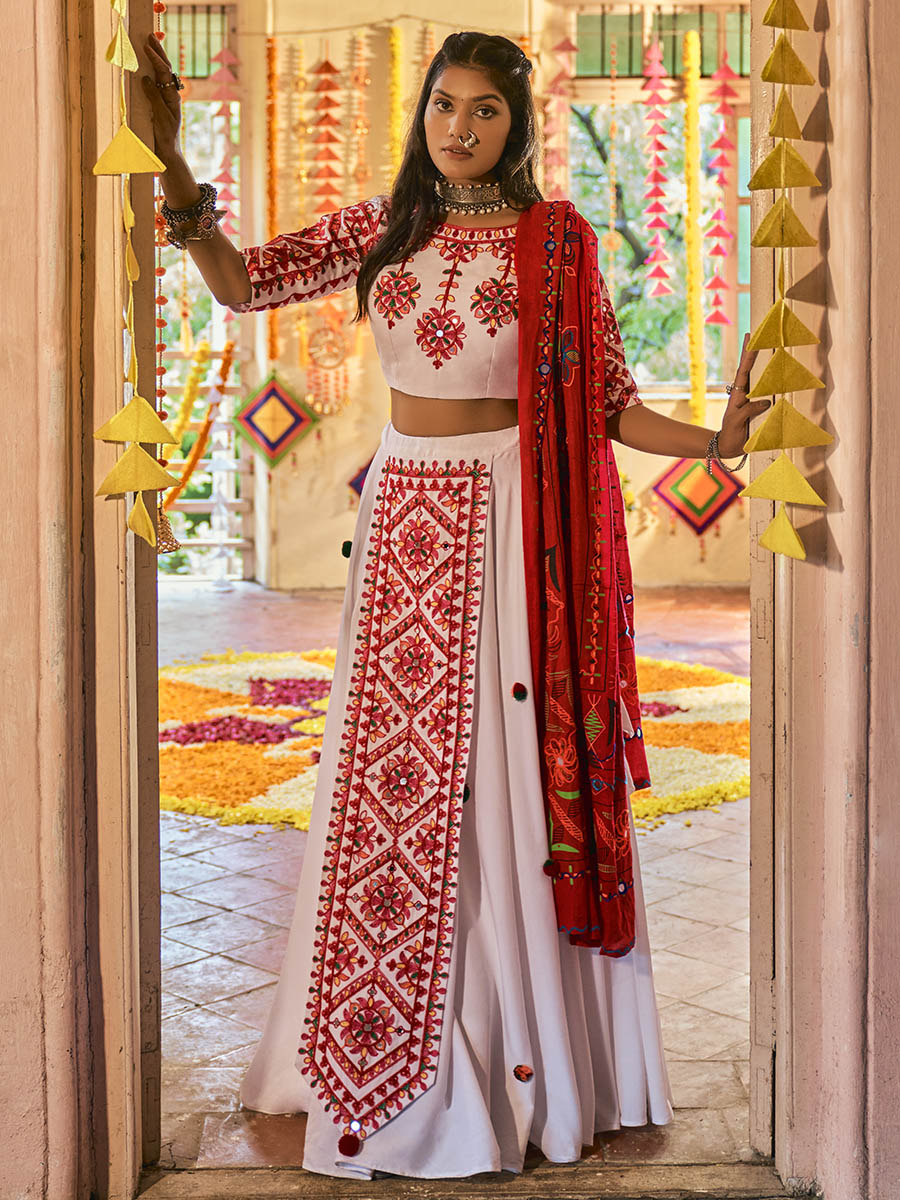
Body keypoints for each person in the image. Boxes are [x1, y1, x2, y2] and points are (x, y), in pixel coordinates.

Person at [143, 29, 764, 1181]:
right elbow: (238, 284)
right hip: (405, 535)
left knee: (508, 786)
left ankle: (519, 1056)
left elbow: (612, 406)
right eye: (445, 106)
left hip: (514, 527)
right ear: (421, 113)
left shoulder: (556, 242)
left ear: (518, 123)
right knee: (397, 787)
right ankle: (379, 1050)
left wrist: (720, 441)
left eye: (486, 109)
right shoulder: (382, 231)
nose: (462, 128)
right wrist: (176, 167)